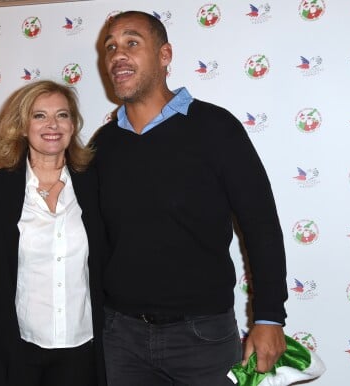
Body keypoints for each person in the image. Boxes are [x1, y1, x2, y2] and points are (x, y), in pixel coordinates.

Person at [91, 11, 288, 386]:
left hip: (203, 338)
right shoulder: (103, 145)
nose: (118, 55)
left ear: (165, 55)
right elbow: (76, 222)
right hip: (120, 338)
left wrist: (268, 318)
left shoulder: (215, 128)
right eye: (111, 47)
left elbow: (260, 224)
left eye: (132, 43)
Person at [0, 80, 106, 386]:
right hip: (18, 353)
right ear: (22, 125)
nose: (53, 125)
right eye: (39, 115)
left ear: (73, 124)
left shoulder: (97, 186)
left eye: (62, 115)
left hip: (84, 352)